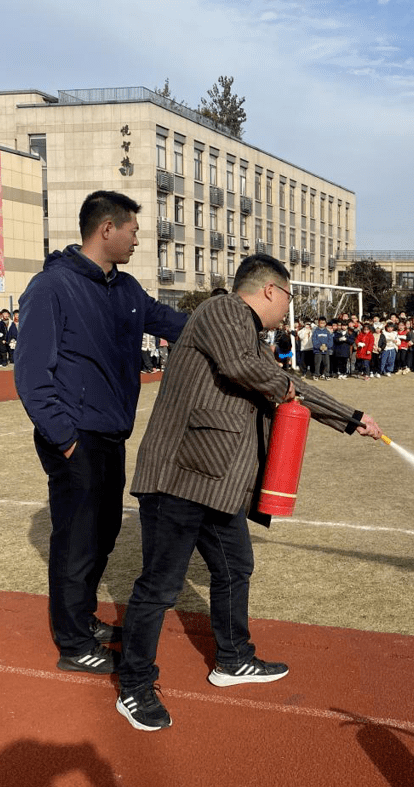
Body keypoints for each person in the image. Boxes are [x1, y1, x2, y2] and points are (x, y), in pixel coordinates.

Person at [116, 253, 382, 732]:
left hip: (216, 482)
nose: (288, 309)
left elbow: (289, 386)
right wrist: (291, 393)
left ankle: (234, 659)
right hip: (178, 477)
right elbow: (245, 369)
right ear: (269, 291)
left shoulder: (249, 334)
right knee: (160, 586)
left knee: (236, 565)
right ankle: (134, 685)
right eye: (288, 298)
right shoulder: (223, 312)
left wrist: (350, 418)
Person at [14, 190, 187, 675]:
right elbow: (31, 374)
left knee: (105, 531)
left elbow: (176, 325)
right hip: (75, 437)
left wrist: (232, 321)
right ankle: (72, 642)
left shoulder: (127, 289)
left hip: (112, 433)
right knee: (77, 540)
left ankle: (83, 620)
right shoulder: (52, 287)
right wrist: (64, 437)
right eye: (132, 229)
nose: (137, 238)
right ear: (106, 229)